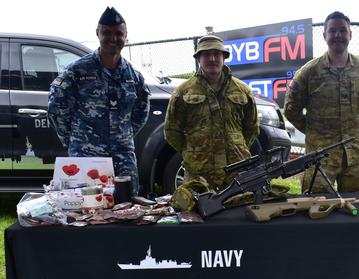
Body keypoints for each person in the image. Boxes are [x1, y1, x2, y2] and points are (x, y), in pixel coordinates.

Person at [48, 7, 150, 195]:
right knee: (86, 212)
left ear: (126, 36)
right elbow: (57, 108)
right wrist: (75, 140)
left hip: (123, 158)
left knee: (127, 210)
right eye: (107, 33)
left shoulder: (133, 76)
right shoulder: (77, 71)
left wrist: (123, 134)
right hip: (86, 157)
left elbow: (141, 112)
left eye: (119, 33)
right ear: (97, 34)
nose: (113, 38)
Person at [284, 11, 359, 194]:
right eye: (332, 31)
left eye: (342, 30)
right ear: (324, 35)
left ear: (350, 34)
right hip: (320, 159)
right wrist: (314, 131)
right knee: (318, 210)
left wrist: (357, 128)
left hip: (356, 157)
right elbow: (291, 109)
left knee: (357, 210)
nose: (338, 35)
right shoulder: (309, 72)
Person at [164, 35, 259, 191]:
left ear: (224, 57)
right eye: (206, 54)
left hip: (236, 171)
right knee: (196, 214)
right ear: (198, 58)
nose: (212, 59)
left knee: (238, 212)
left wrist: (236, 148)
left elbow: (252, 128)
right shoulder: (183, 92)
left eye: (216, 54)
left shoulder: (243, 90)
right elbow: (171, 131)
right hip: (199, 175)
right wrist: (193, 151)